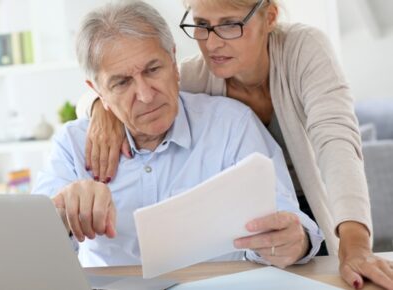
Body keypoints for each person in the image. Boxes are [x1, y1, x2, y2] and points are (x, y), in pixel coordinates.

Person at [78, 0, 393, 288]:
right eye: (201, 25)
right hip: (253, 222)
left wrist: (357, 246)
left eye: (230, 23)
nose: (212, 43)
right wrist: (100, 110)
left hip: (308, 212)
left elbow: (336, 142)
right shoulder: (190, 75)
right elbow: (112, 87)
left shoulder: (303, 48)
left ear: (269, 17)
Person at [32, 0, 323, 270]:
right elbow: (32, 250)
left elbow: (287, 218)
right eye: (122, 83)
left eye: (153, 69)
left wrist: (295, 242)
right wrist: (63, 214)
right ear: (97, 92)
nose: (145, 95)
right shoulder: (72, 145)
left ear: (173, 61)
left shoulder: (233, 126)